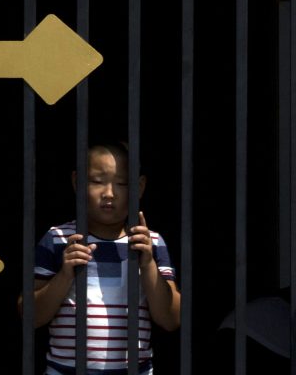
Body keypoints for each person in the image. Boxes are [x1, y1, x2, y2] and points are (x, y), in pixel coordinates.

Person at [22, 142, 181, 374]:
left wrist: (147, 264)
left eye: (122, 183)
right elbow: (29, 317)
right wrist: (65, 275)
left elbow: (171, 320)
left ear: (139, 187)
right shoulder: (58, 239)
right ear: (77, 182)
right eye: (97, 181)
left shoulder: (150, 243)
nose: (109, 193)